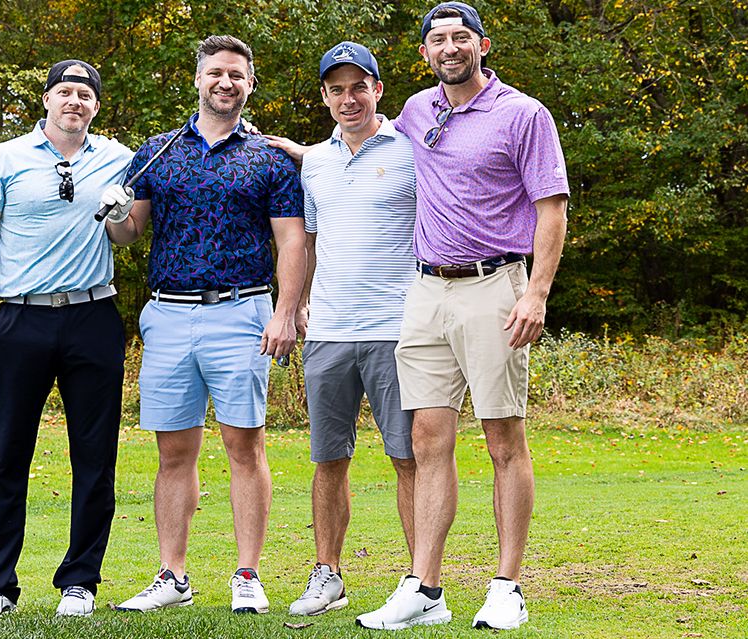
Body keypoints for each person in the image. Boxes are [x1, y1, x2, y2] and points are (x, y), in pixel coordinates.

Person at [355, 2, 569, 631]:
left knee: (504, 438)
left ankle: (507, 586)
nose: (449, 47)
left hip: (495, 287)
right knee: (426, 441)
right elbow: (358, 131)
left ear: (482, 45)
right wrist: (287, 147)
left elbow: (551, 208)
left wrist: (536, 294)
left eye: (460, 37)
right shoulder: (419, 112)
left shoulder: (523, 114)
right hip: (425, 293)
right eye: (437, 39)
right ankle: (425, 588)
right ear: (423, 52)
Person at [101, 35, 305, 614]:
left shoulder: (269, 156)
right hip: (167, 313)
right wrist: (114, 212)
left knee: (245, 444)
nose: (225, 83)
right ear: (198, 79)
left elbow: (291, 240)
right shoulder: (158, 152)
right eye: (216, 73)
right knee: (173, 453)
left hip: (243, 310)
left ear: (249, 84)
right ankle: (173, 575)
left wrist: (286, 311)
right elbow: (129, 231)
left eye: (236, 75)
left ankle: (247, 574)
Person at [0, 60, 133, 619]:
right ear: (46, 100)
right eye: (65, 92)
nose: (74, 102)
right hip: (21, 321)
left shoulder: (118, 158)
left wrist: (120, 215)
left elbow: (128, 238)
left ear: (96, 106)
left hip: (93, 316)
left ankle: (80, 581)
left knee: (95, 456)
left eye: (85, 94)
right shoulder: (3, 158)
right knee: (7, 455)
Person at [264, 42, 418, 617]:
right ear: (325, 96)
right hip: (329, 330)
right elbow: (309, 241)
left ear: (378, 90)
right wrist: (294, 305)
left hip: (397, 329)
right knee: (328, 458)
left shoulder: (410, 148)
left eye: (359, 87)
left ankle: (419, 580)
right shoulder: (318, 162)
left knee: (408, 458)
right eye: (336, 89)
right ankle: (327, 575)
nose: (348, 98)